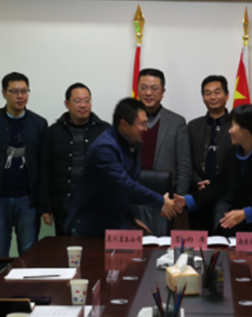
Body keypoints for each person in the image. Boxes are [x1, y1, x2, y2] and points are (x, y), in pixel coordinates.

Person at [66, 97, 178, 237]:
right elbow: (123, 184)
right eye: (142, 124)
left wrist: (130, 219)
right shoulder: (104, 148)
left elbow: (125, 189)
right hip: (91, 228)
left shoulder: (132, 143)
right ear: (124, 124)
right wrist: (161, 202)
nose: (146, 129)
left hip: (115, 222)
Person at [0, 72, 47, 267]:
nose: (20, 96)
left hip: (28, 200)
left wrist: (44, 201)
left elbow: (44, 164)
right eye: (14, 91)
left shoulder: (39, 123)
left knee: (29, 252)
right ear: (4, 93)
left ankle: (27, 288)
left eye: (24, 91)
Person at [178, 104, 252, 237]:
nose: (229, 131)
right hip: (238, 221)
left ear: (247, 128)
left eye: (233, 126)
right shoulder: (232, 154)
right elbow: (219, 185)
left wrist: (246, 213)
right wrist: (187, 200)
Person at [38, 83, 109, 236]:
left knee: (95, 249)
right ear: (67, 104)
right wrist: (45, 207)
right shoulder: (53, 132)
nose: (83, 105)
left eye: (87, 100)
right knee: (66, 248)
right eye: (77, 101)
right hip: (64, 207)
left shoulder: (105, 131)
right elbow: (45, 170)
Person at [132, 68, 192, 235]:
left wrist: (178, 200)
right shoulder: (126, 121)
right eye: (143, 87)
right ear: (137, 90)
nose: (148, 93)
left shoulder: (177, 122)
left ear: (163, 92)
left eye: (154, 88)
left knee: (161, 245)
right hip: (133, 197)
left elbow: (184, 165)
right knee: (134, 246)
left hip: (165, 200)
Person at [187, 75, 232, 233]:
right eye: (208, 93)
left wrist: (214, 183)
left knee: (222, 240)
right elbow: (186, 160)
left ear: (227, 95)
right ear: (203, 98)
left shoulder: (237, 126)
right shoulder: (193, 126)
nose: (213, 97)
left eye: (217, 92)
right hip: (198, 194)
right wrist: (199, 182)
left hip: (227, 195)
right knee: (199, 241)